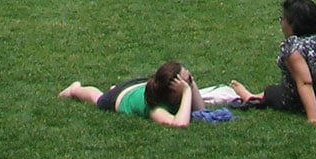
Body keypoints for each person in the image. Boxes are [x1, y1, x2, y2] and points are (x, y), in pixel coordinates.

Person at [229, 0, 316, 123]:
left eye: (283, 19)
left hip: (309, 102)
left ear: (292, 25)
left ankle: (250, 97)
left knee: (272, 91)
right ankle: (254, 96)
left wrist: (313, 118)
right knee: (280, 87)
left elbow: (305, 83)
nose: (282, 24)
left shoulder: (293, 49)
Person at [58, 61, 206, 128]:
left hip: (138, 85)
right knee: (98, 98)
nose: (191, 81)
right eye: (188, 80)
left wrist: (190, 83)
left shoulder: (166, 91)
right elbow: (179, 125)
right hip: (117, 97)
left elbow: (200, 111)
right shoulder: (155, 108)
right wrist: (187, 91)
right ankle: (74, 89)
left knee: (116, 90)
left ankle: (115, 87)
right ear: (174, 89)